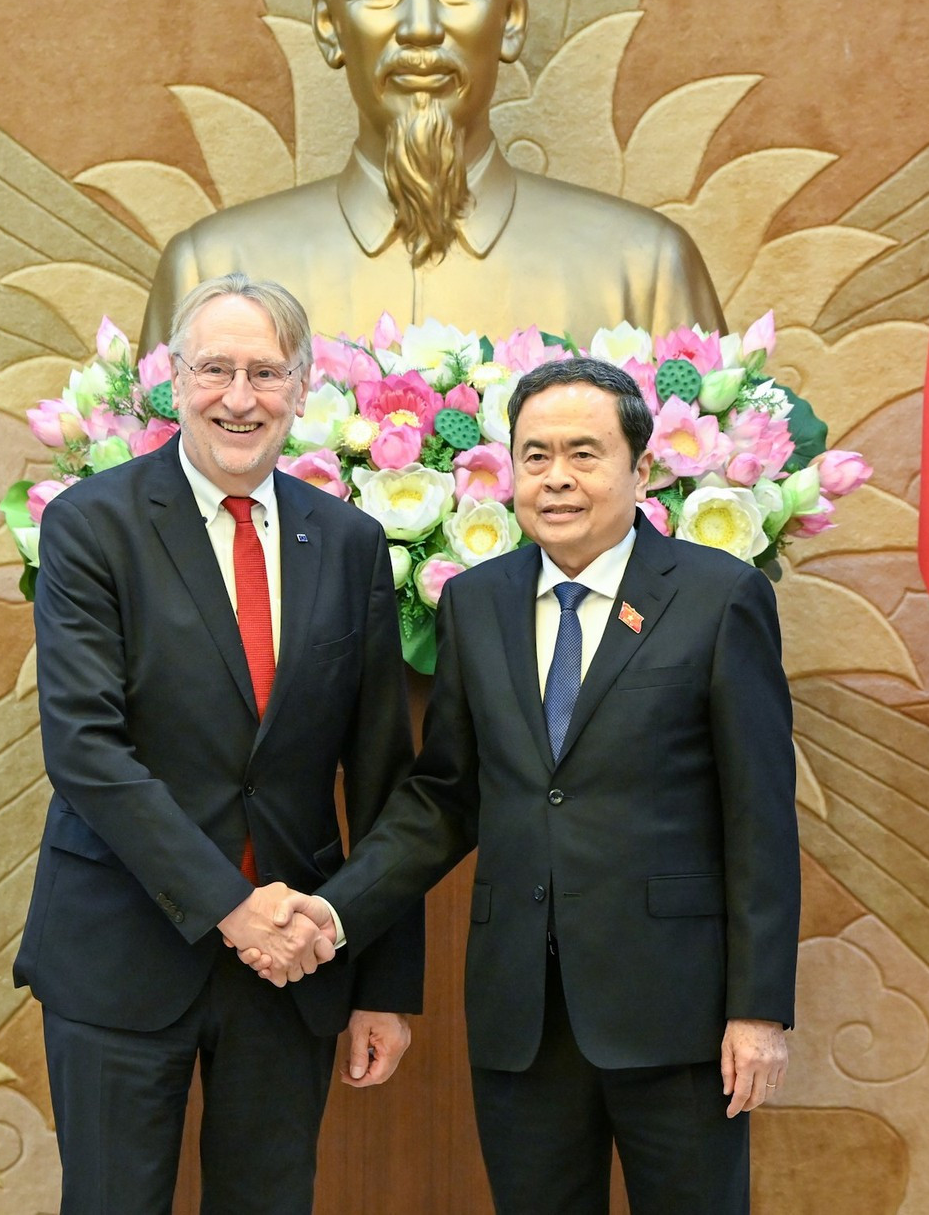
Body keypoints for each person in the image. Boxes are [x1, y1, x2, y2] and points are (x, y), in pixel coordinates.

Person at [255, 357, 800, 1214]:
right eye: (535, 455)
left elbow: (760, 817)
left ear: (641, 470)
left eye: (584, 453)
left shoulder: (718, 597)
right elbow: (446, 797)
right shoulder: (476, 603)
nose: (557, 478)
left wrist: (758, 1010)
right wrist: (336, 911)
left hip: (678, 1014)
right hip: (522, 1013)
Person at [12, 273, 424, 1215]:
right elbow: (85, 750)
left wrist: (382, 984)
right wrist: (232, 908)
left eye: (266, 373)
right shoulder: (92, 525)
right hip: (120, 946)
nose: (241, 397)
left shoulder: (351, 542)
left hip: (292, 962)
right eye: (216, 370)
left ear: (302, 389)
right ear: (175, 382)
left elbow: (381, 776)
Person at [139, 0, 725, 347]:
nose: (420, 27)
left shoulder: (645, 273)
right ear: (328, 24)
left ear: (511, 17)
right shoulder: (211, 271)